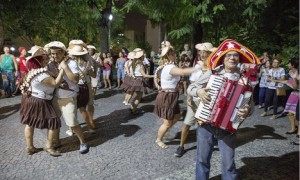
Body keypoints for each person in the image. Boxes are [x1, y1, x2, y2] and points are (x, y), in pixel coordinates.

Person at [188, 39, 259, 179]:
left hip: (228, 128)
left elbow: (251, 105)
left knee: (229, 164)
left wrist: (247, 111)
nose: (232, 58)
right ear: (223, 58)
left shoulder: (245, 80)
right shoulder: (212, 74)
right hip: (206, 125)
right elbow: (191, 88)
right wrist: (199, 92)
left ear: (239, 59)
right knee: (202, 161)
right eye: (228, 55)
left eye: (235, 55)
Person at [20, 46, 64, 156]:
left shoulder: (32, 71)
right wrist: (63, 70)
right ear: (38, 60)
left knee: (30, 123)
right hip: (40, 100)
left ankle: (30, 147)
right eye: (44, 59)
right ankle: (48, 146)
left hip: (31, 99)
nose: (47, 60)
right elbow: (55, 83)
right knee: (54, 122)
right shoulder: (41, 74)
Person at [47, 41, 89, 154]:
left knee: (72, 122)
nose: (54, 56)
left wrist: (65, 67)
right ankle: (57, 141)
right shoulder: (51, 64)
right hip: (56, 98)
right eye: (52, 53)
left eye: (57, 53)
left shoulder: (71, 63)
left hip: (69, 97)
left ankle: (83, 142)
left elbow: (75, 80)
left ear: (63, 52)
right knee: (55, 122)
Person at [154, 44, 199, 149]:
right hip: (167, 96)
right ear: (168, 56)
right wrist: (198, 68)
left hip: (171, 96)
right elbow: (183, 72)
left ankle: (167, 129)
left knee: (178, 115)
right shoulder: (170, 67)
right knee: (167, 122)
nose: (175, 55)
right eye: (173, 54)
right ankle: (159, 139)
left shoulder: (169, 66)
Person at [174, 42, 215, 157]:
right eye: (200, 52)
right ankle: (181, 146)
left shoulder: (214, 67)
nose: (202, 54)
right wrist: (188, 96)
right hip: (194, 99)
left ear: (210, 53)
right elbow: (191, 83)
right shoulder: (197, 66)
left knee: (208, 124)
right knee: (187, 123)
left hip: (207, 100)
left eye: (205, 52)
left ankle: (209, 143)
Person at [128, 49, 154, 114]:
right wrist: (154, 76)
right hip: (139, 81)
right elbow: (145, 75)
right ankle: (133, 110)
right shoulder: (140, 65)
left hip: (135, 80)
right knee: (139, 97)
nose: (144, 57)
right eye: (143, 56)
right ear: (141, 57)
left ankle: (132, 107)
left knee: (137, 95)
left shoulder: (134, 63)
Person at [281, 59, 299, 134]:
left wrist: (294, 79)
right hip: (293, 93)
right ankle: (293, 128)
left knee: (298, 114)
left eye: (289, 64)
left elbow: (295, 86)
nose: (287, 65)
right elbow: (289, 82)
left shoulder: (298, 73)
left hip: (298, 94)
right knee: (290, 112)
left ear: (293, 65)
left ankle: (299, 132)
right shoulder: (290, 72)